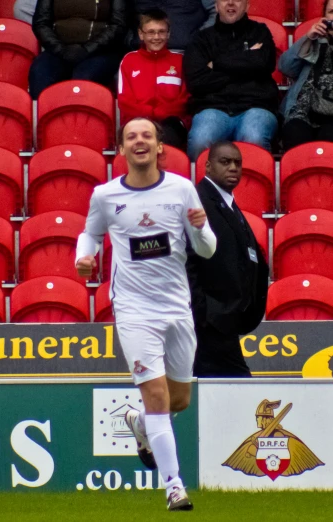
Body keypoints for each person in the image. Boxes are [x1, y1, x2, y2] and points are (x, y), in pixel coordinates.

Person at [75, 117, 216, 511]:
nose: (139, 141)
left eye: (147, 136)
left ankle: (139, 423)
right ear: (121, 150)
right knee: (156, 397)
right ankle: (174, 487)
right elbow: (91, 233)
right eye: (131, 136)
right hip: (134, 310)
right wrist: (84, 257)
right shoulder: (105, 196)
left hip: (176, 307)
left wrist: (202, 230)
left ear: (159, 147)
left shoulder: (181, 189)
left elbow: (206, 250)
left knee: (178, 400)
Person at [186, 142, 268, 377]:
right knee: (240, 388)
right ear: (208, 167)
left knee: (213, 396)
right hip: (209, 322)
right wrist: (203, 313)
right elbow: (188, 260)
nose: (233, 168)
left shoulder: (227, 202)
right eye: (225, 162)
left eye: (237, 163)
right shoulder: (198, 201)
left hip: (225, 321)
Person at [183, 0, 279, 161]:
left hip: (256, 106)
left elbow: (264, 64)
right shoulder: (201, 39)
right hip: (213, 107)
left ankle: (252, 186)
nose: (231, 3)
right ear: (216, 6)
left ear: (247, 6)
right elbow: (196, 82)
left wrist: (217, 64)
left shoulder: (260, 32)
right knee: (200, 140)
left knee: (253, 137)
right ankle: (204, 187)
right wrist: (247, 64)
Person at [118, 9, 190, 149]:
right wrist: (150, 114)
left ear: (168, 34)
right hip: (137, 121)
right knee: (141, 140)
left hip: (171, 122)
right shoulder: (129, 60)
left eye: (161, 31)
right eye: (151, 32)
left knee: (166, 140)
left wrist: (161, 113)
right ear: (141, 34)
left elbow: (185, 99)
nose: (156, 37)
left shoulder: (180, 61)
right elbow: (124, 101)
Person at [29, 0, 127, 98]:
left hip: (100, 51)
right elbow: (40, 23)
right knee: (39, 73)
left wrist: (87, 49)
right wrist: (60, 50)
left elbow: (118, 24)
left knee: (82, 80)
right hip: (59, 50)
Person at [279, 0, 333, 151]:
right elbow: (285, 68)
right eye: (331, 12)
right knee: (295, 134)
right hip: (302, 112)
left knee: (329, 139)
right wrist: (308, 38)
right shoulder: (313, 41)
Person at [127, 1, 216, 51]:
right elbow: (123, 15)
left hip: (184, 52)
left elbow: (216, 10)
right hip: (141, 51)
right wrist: (130, 39)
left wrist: (198, 37)